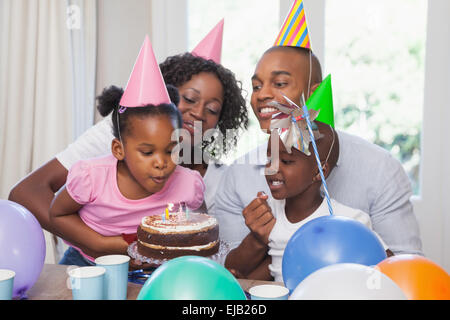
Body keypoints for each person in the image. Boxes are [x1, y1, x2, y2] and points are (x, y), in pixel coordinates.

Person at [8, 44, 247, 260]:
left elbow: (200, 236)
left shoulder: (202, 179)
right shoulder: (117, 135)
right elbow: (25, 192)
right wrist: (97, 243)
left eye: (213, 109)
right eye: (189, 99)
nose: (199, 113)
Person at [215, 45, 422, 279]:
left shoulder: (381, 169)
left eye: (280, 83)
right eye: (256, 86)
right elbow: (228, 272)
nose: (262, 95)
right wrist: (257, 240)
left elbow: (406, 272)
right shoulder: (237, 175)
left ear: (312, 93)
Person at [225, 120, 391, 281]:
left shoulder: (350, 219)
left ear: (320, 171)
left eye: (286, 161)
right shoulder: (270, 213)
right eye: (270, 159)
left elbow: (390, 267)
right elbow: (271, 267)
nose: (272, 168)